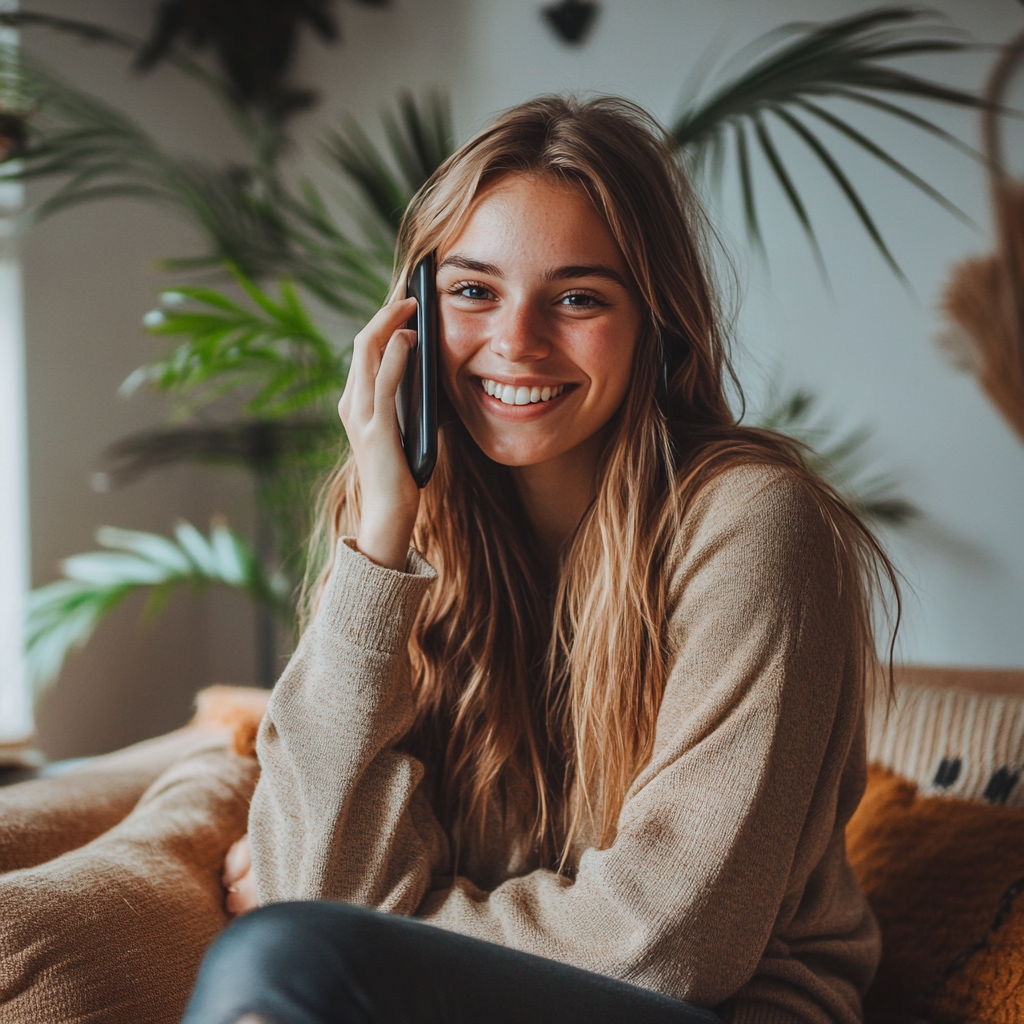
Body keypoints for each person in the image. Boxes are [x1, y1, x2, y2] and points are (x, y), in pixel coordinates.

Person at [182, 95, 895, 1024]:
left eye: (578, 298)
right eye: (473, 290)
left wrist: (367, 920)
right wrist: (381, 530)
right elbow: (315, 874)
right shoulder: (412, 536)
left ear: (657, 321)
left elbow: (665, 946)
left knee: (281, 955)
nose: (516, 341)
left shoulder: (757, 527)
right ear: (408, 325)